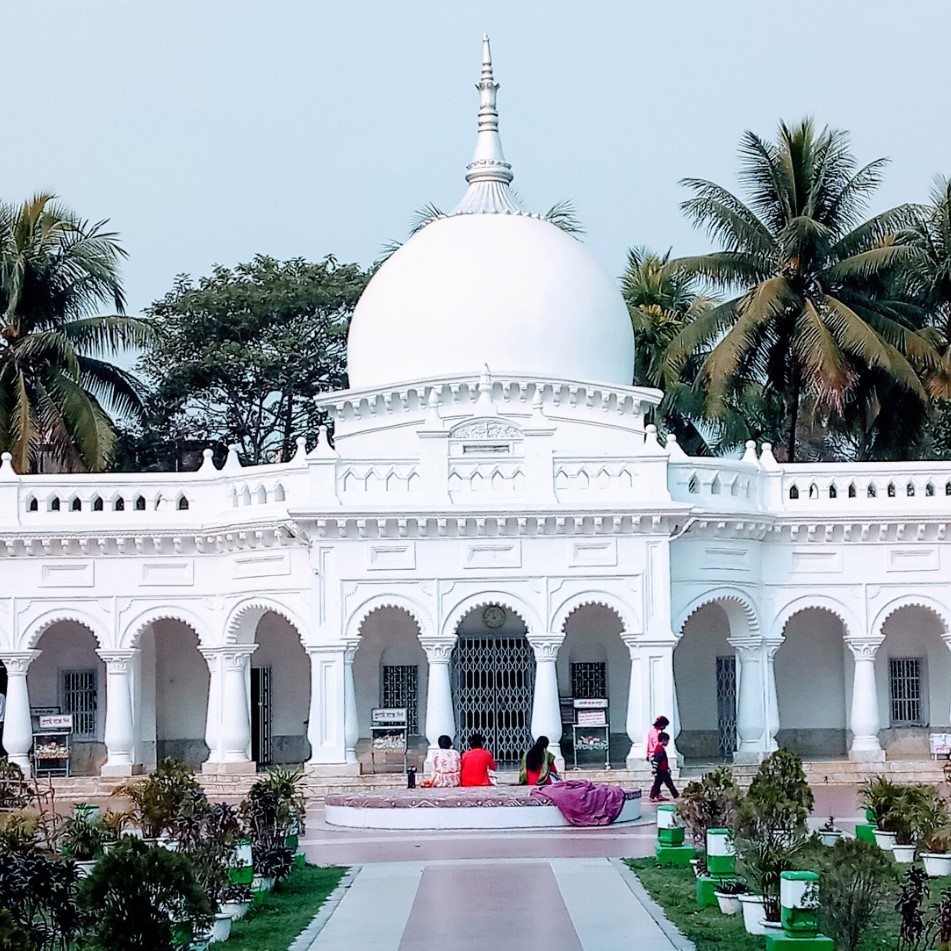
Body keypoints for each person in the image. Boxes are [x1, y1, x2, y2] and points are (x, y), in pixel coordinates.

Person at [649, 731, 679, 803]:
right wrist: (654, 769)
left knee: (657, 783)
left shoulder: (659, 748)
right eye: (667, 741)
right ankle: (676, 795)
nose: (667, 743)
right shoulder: (660, 749)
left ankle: (652, 796)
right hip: (662, 770)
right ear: (663, 740)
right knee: (669, 783)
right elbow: (657, 760)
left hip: (662, 769)